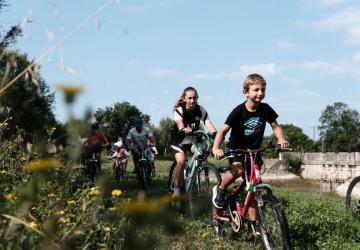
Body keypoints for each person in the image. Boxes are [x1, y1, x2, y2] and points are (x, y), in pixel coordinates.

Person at [212, 73, 289, 234]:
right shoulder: (238, 111)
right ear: (245, 92)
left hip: (254, 151)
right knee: (238, 170)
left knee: (253, 187)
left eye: (263, 89)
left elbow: (275, 126)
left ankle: (254, 225)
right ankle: (220, 189)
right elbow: (223, 130)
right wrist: (216, 147)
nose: (260, 93)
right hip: (237, 150)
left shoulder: (265, 109)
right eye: (256, 90)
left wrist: (281, 138)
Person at [170, 86, 217, 197]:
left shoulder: (201, 110)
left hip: (193, 139)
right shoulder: (179, 110)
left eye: (195, 98)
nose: (193, 100)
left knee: (202, 152)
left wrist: (215, 133)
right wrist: (184, 129)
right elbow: (180, 124)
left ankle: (195, 179)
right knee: (181, 161)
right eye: (190, 98)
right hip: (178, 140)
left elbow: (209, 124)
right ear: (184, 98)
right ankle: (176, 192)